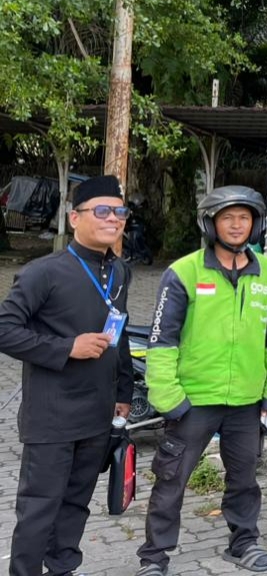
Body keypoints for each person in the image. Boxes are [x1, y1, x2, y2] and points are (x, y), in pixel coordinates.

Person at [136, 186, 267, 576]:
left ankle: (243, 543)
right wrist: (167, 396)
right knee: (171, 481)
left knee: (244, 479)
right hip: (193, 401)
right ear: (210, 223)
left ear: (254, 225)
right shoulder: (183, 272)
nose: (237, 225)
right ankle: (154, 557)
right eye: (227, 217)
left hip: (246, 401)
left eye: (244, 218)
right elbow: (162, 339)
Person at [0, 175, 133, 576]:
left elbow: (119, 333)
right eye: (102, 211)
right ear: (75, 218)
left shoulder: (120, 272)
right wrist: (65, 348)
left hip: (97, 412)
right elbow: (5, 328)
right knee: (40, 507)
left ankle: (62, 568)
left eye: (120, 212)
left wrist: (124, 392)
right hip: (52, 416)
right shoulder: (44, 272)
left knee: (76, 502)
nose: (114, 219)